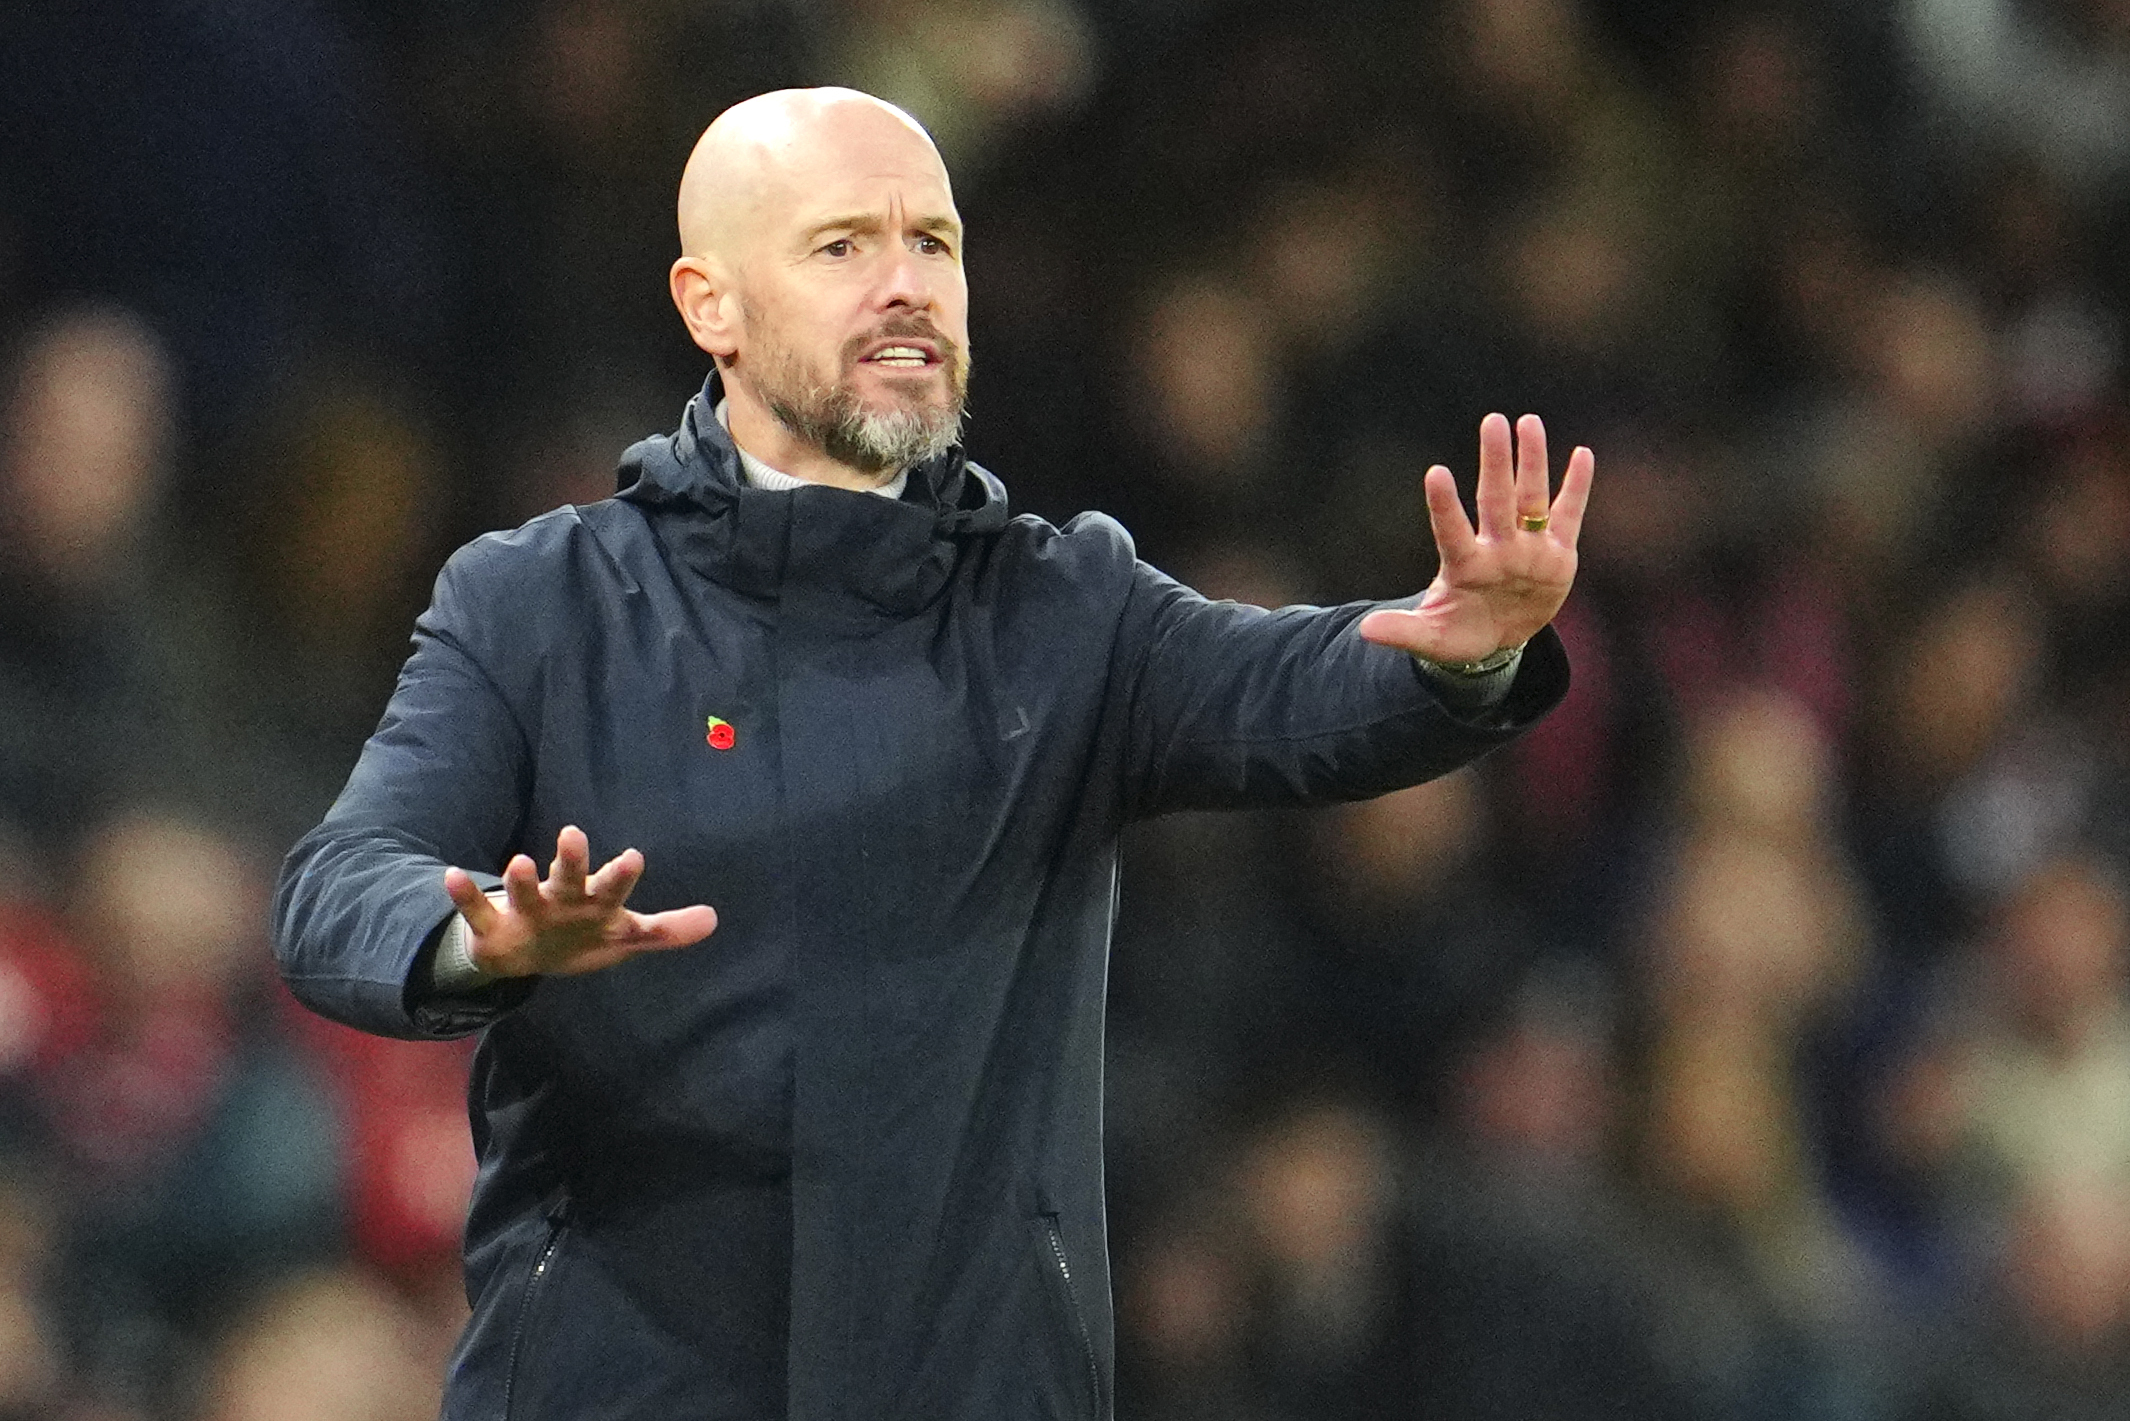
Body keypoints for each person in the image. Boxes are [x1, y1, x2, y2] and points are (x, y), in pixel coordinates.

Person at [271, 87, 1592, 1421]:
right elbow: (338, 886)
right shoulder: (537, 603)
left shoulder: (1067, 610)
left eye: (934, 245)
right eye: (843, 247)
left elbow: (1300, 694)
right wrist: (475, 937)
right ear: (709, 305)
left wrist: (1464, 647)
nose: (907, 287)